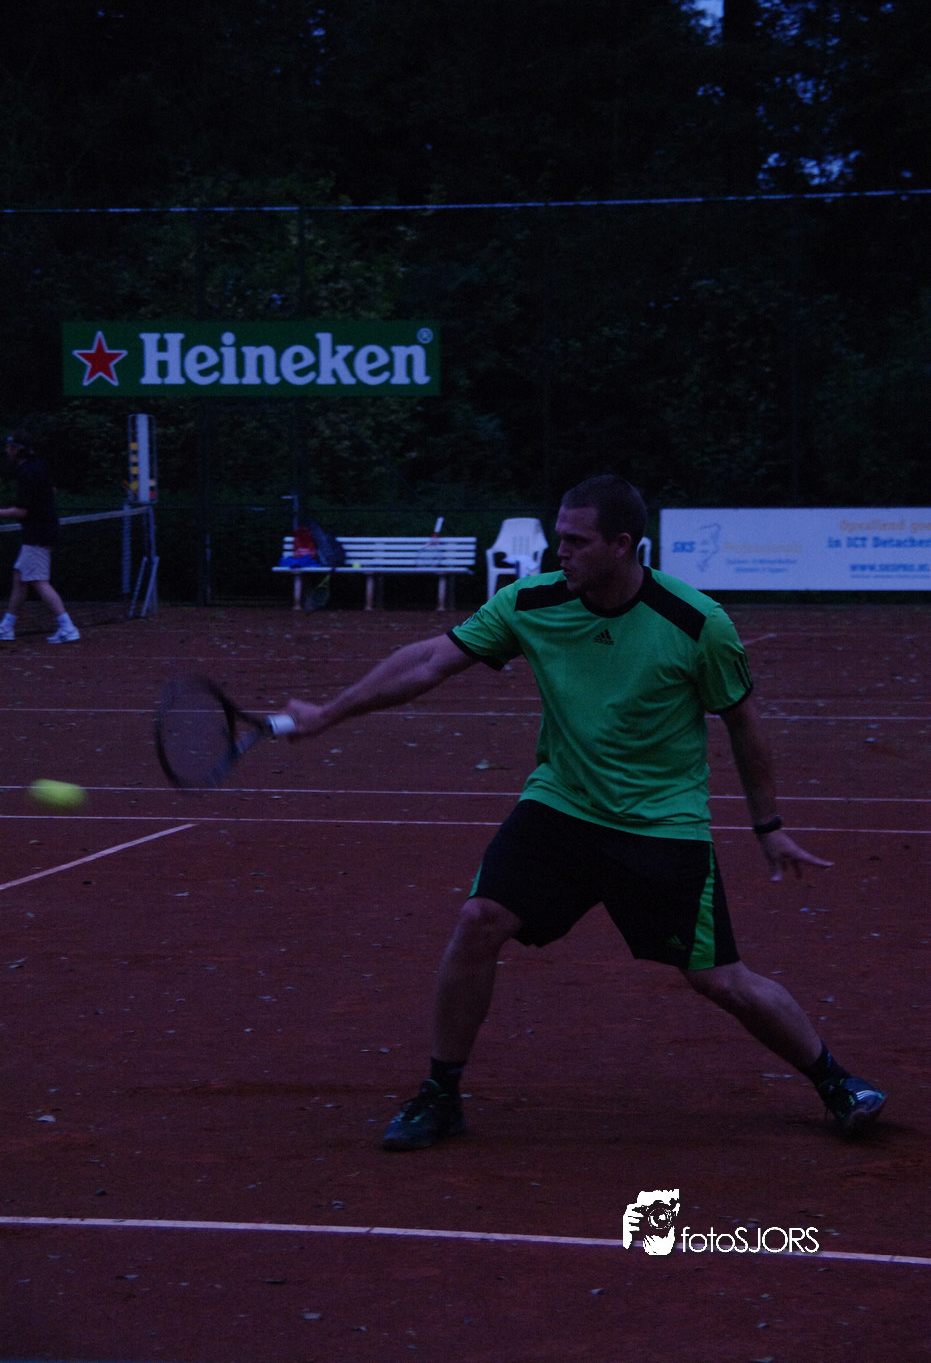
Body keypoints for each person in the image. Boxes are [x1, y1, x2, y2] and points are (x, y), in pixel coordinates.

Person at [284, 475, 886, 1150]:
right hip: (561, 808)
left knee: (719, 979)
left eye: (575, 541)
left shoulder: (696, 623)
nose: (559, 552)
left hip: (659, 823)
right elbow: (429, 660)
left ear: (621, 545)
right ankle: (440, 1092)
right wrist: (329, 712)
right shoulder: (531, 602)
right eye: (558, 538)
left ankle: (836, 1082)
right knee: (479, 920)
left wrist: (767, 826)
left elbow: (743, 721)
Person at [0, 430, 80, 643]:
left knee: (38, 581)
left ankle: (67, 627)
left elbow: (21, 511)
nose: (7, 450)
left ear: (18, 450)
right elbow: (51, 490)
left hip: (38, 533)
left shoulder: (27, 473)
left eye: (10, 447)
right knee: (20, 577)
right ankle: (6, 627)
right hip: (42, 530)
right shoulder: (38, 466)